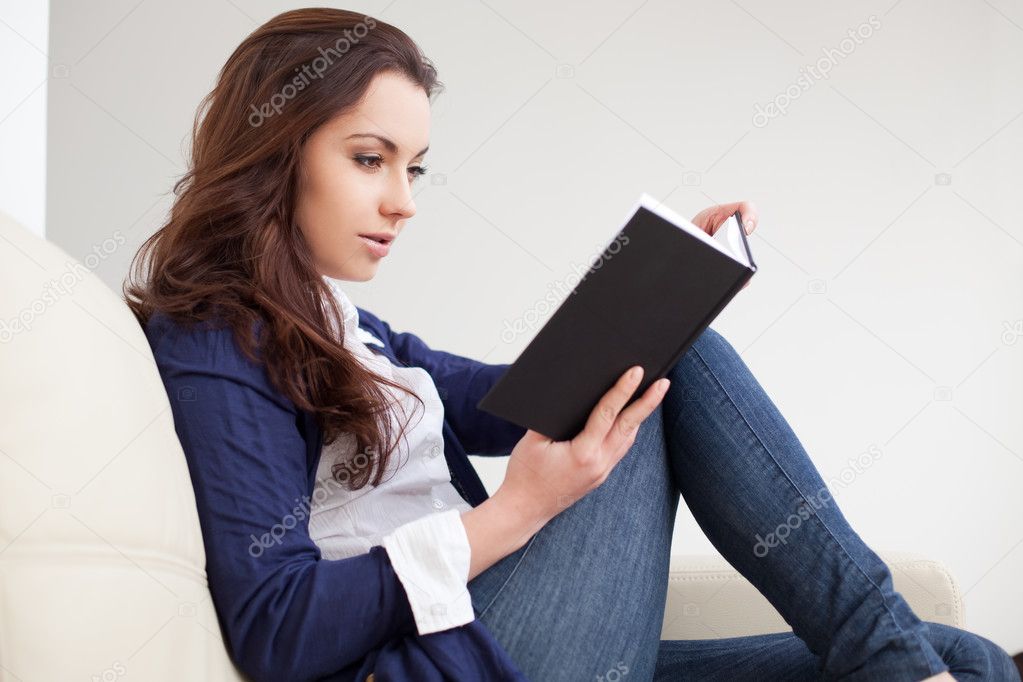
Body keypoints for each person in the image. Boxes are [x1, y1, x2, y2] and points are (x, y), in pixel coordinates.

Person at [124, 8, 1019, 681]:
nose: (403, 202)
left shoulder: (350, 331)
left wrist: (663, 288)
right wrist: (511, 513)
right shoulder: (216, 339)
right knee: (682, 363)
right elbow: (274, 628)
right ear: (273, 152)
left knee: (966, 656)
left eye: (413, 168)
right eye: (369, 159)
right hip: (440, 664)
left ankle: (903, 663)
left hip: (498, 636)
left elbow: (528, 392)